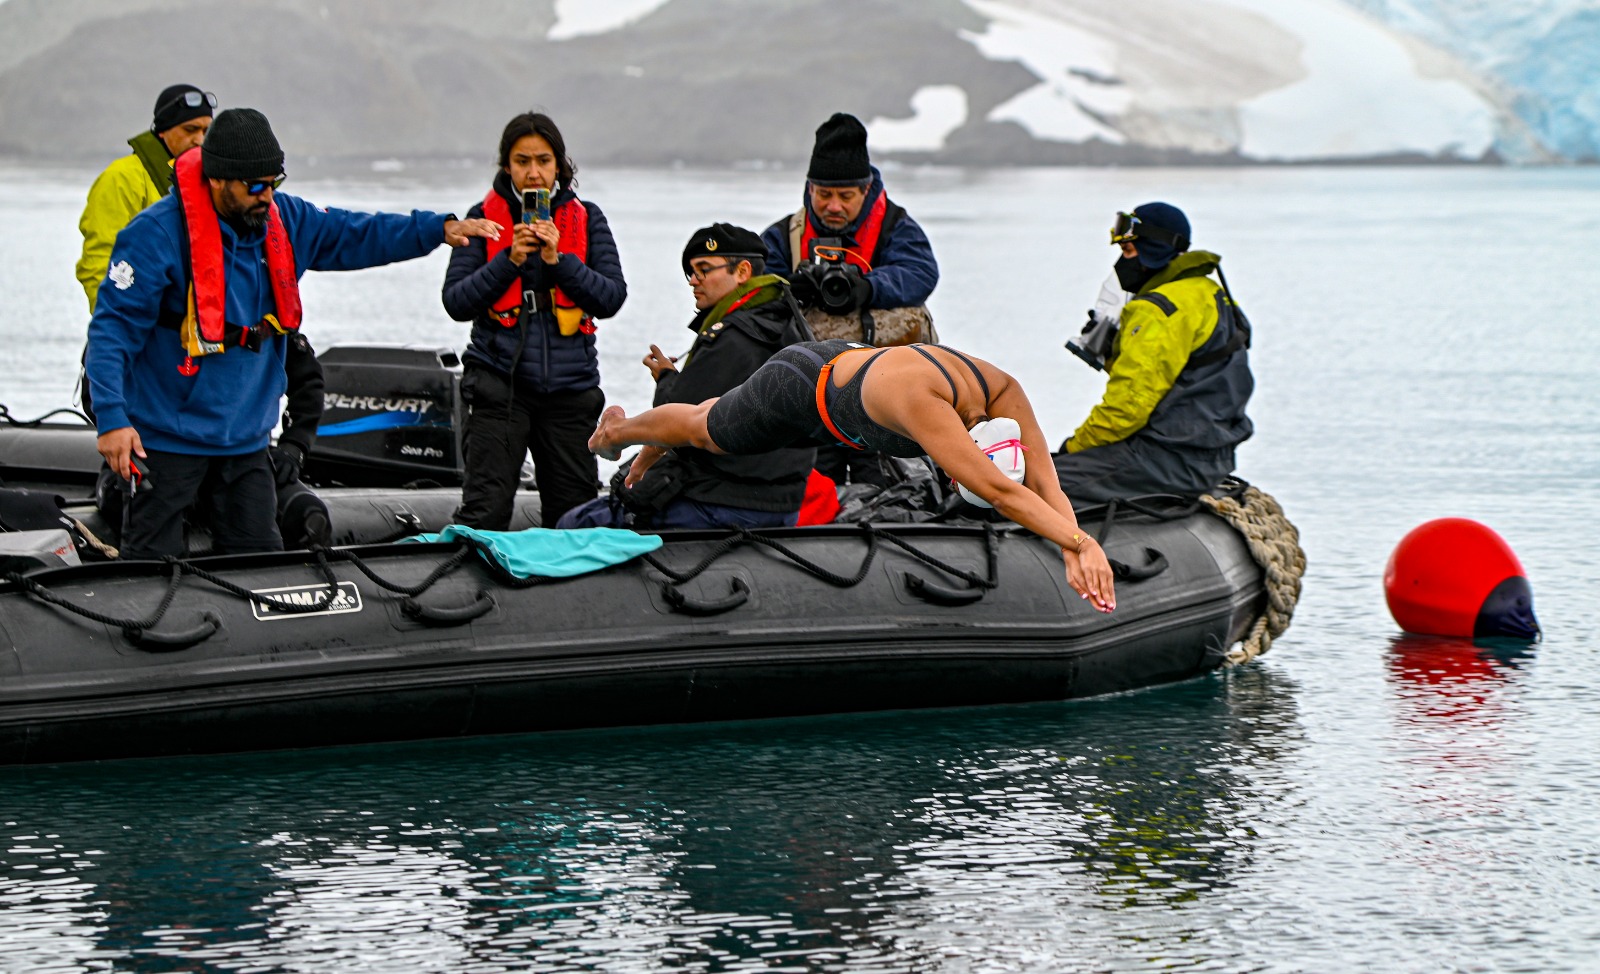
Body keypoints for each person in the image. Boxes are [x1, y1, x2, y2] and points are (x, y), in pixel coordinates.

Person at [85, 108, 500, 560]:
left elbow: (358, 232)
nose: (267, 196)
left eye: (274, 182)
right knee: (149, 572)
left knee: (261, 567)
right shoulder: (154, 235)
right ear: (218, 180)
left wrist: (437, 229)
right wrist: (112, 419)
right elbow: (112, 331)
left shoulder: (286, 220)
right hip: (165, 442)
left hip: (245, 443)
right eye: (255, 186)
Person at [588, 341, 1116, 611]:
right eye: (960, 479)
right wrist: (1080, 540)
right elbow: (1001, 492)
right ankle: (618, 431)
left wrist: (1076, 546)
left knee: (715, 415)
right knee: (708, 429)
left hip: (844, 377)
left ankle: (653, 442)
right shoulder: (927, 408)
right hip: (799, 389)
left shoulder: (1005, 395)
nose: (953, 480)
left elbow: (1046, 485)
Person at [557, 223, 815, 530]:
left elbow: (678, 422)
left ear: (743, 272)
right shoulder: (789, 324)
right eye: (691, 273)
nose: (694, 281)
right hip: (780, 501)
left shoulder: (734, 337)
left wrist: (666, 379)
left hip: (725, 501)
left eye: (703, 270)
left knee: (574, 523)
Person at [442, 111, 627, 530]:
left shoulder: (587, 218)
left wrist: (557, 261)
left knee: (573, 514)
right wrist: (509, 261)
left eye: (543, 161)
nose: (533, 172)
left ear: (559, 165)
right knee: (484, 512)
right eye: (522, 161)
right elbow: (456, 301)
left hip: (569, 390)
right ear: (507, 165)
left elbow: (612, 297)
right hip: (499, 386)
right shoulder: (482, 219)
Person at [763, 112, 940, 488]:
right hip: (812, 396)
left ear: (866, 189)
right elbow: (758, 290)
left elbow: (922, 273)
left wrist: (868, 287)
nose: (834, 206)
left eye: (845, 196)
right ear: (810, 189)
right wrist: (793, 287)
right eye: (824, 195)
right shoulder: (784, 236)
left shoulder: (896, 226)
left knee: (883, 479)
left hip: (884, 394)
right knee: (817, 476)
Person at [1054, 203, 1254, 503]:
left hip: (1163, 460)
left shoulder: (1156, 311)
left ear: (1153, 251)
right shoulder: (1209, 292)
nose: (1121, 265)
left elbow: (1126, 408)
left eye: (1129, 253)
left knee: (1030, 485)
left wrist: (1072, 449)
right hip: (1213, 457)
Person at [76, 84, 216, 313]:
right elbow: (99, 262)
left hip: (192, 331)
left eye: (205, 131)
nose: (200, 140)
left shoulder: (210, 180)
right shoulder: (121, 178)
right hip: (138, 326)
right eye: (190, 129)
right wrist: (116, 327)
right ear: (162, 130)